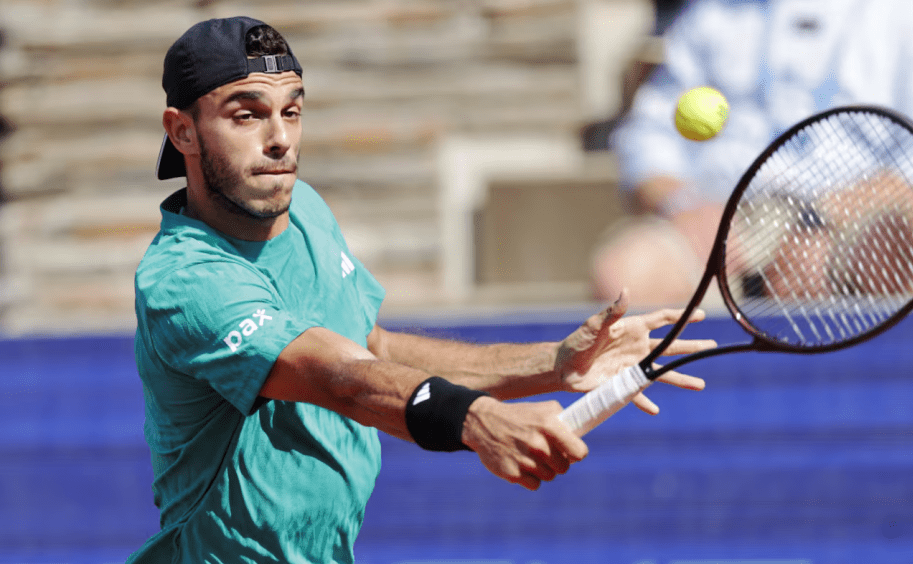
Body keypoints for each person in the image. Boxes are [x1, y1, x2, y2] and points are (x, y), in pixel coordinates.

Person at [129, 17, 716, 563]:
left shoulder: (304, 210)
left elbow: (370, 347)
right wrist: (475, 419)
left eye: (293, 110)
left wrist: (553, 364)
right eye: (247, 115)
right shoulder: (184, 281)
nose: (280, 139)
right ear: (182, 130)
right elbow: (342, 377)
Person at [593, 0, 913, 304]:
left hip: (855, 217)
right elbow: (646, 136)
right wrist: (684, 205)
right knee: (627, 273)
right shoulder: (712, 13)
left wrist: (818, 225)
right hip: (730, 218)